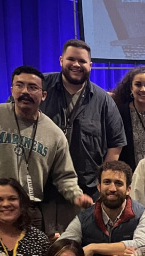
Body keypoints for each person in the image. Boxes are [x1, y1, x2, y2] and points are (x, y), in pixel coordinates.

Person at [0, 66, 92, 233]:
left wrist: (77, 196)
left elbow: (65, 176)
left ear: (43, 95)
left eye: (33, 87)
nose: (25, 91)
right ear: (12, 90)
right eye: (19, 85)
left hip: (30, 212)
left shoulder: (55, 134)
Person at [39, 40, 126, 231]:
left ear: (90, 65)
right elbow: (14, 113)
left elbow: (115, 146)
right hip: (40, 193)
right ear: (61, 60)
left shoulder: (104, 100)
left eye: (82, 61)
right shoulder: (39, 87)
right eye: (71, 59)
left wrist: (102, 184)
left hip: (84, 194)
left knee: (78, 249)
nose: (76, 65)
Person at [60, 161, 145, 256]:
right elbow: (60, 249)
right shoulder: (83, 218)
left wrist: (92, 248)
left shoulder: (142, 214)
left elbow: (144, 245)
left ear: (128, 189)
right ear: (99, 187)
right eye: (107, 182)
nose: (112, 188)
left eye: (118, 183)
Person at [110, 66, 145, 170]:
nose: (143, 89)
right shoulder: (120, 112)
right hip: (130, 174)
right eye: (138, 85)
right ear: (131, 88)